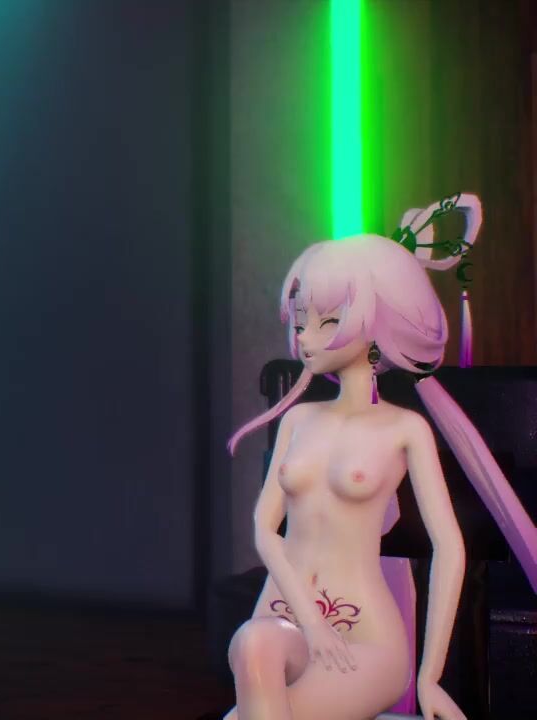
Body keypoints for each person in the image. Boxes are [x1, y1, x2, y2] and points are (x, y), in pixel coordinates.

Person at [223, 193, 537, 719]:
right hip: (283, 622)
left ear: (375, 324)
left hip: (364, 639)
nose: (304, 339)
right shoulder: (298, 420)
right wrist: (311, 623)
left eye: (326, 321)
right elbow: (264, 528)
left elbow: (449, 548)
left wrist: (430, 677)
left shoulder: (403, 429)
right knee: (252, 642)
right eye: (300, 322)